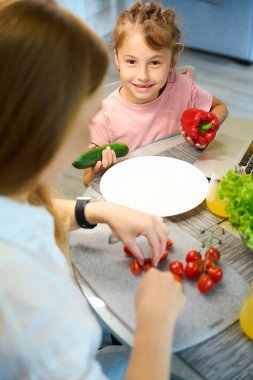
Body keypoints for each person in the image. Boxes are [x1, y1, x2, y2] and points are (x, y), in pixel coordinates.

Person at [0, 1, 185, 379]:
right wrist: (155, 325)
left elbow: (21, 216)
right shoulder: (24, 300)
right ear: (42, 128)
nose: (89, 135)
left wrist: (95, 211)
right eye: (84, 120)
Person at [83, 1, 228, 186]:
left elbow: (220, 108)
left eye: (155, 63)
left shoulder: (182, 88)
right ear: (117, 58)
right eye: (131, 62)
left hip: (178, 183)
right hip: (132, 195)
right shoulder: (103, 118)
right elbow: (87, 182)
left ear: (173, 60)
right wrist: (100, 169)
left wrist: (207, 128)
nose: (143, 76)